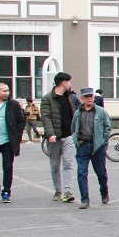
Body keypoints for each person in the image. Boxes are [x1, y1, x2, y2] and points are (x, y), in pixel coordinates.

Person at [41, 72, 79, 203]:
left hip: (68, 136)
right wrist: (50, 134)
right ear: (64, 83)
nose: (70, 85)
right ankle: (58, 191)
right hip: (54, 137)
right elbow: (45, 117)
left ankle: (68, 191)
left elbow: (75, 114)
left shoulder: (70, 98)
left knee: (68, 163)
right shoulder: (47, 99)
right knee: (55, 165)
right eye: (69, 82)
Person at [72, 87, 111, 209]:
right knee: (81, 173)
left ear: (94, 97)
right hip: (83, 145)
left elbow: (107, 127)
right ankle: (85, 199)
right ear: (82, 98)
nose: (89, 98)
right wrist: (76, 141)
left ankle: (104, 192)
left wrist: (103, 142)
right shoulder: (78, 113)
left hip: (97, 146)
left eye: (91, 96)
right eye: (86, 96)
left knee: (101, 173)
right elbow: (73, 128)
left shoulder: (100, 111)